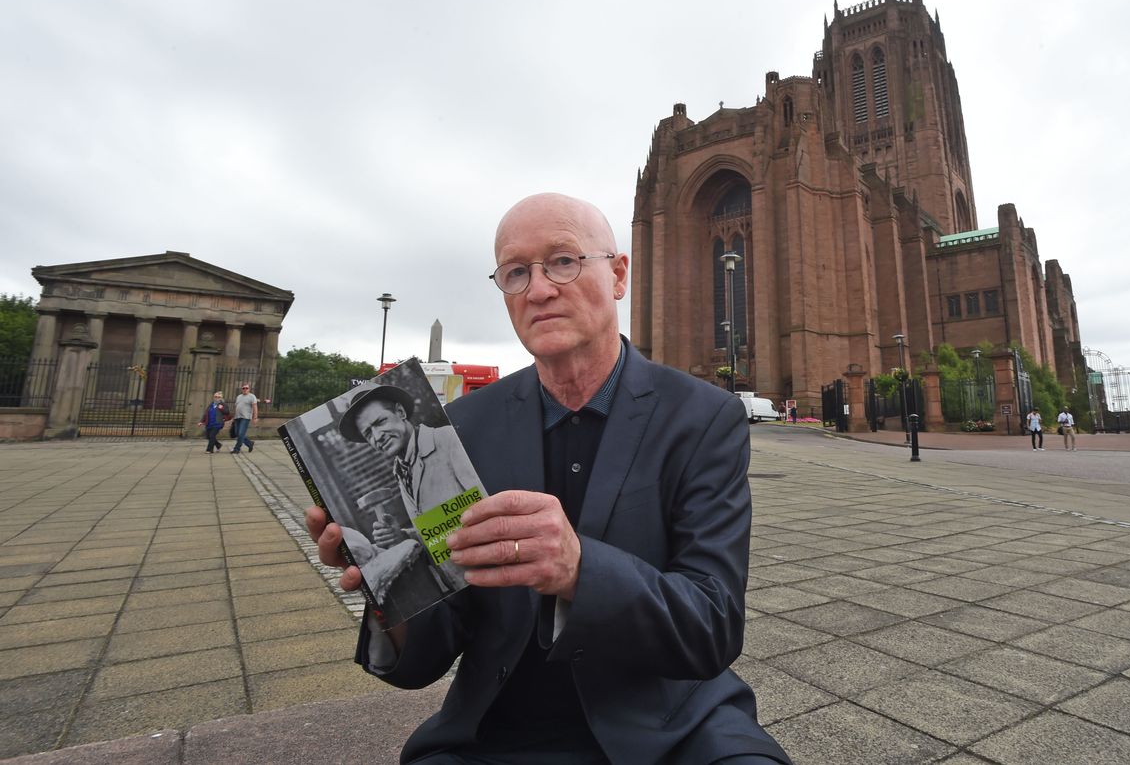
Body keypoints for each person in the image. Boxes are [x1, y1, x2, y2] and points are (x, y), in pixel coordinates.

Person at [307, 192, 790, 764]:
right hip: (502, 725)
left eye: (563, 261)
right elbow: (426, 658)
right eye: (515, 272)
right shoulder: (462, 426)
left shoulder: (704, 417)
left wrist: (580, 570)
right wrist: (388, 587)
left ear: (617, 275)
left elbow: (712, 623)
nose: (538, 290)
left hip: (674, 723)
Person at [337, 383, 482, 596]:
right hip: (457, 588)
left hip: (489, 577)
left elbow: (487, 510)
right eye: (368, 433)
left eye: (380, 422)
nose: (377, 437)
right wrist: (401, 536)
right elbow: (437, 528)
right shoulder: (401, 469)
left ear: (400, 412)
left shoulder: (448, 440)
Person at [231, 383, 258, 454]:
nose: (245, 389)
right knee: (237, 433)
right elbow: (236, 407)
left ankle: (237, 449)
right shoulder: (239, 397)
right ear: (241, 389)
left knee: (240, 433)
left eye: (246, 388)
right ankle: (249, 443)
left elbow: (255, 407)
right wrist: (234, 417)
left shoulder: (252, 396)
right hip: (237, 417)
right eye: (243, 388)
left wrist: (255, 417)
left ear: (249, 389)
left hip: (245, 418)